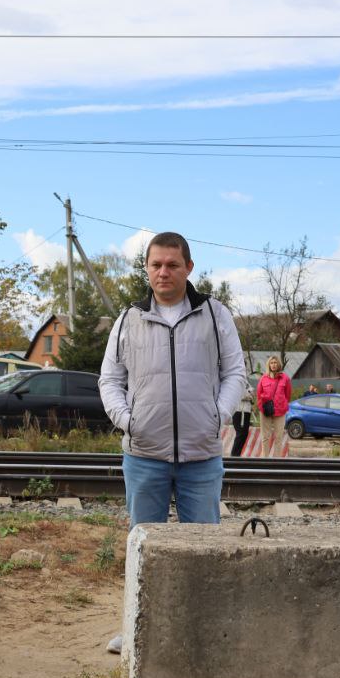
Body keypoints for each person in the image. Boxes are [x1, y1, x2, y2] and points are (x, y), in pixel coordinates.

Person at [99, 232, 246, 652]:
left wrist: (216, 415)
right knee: (143, 544)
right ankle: (136, 630)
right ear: (146, 268)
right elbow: (110, 379)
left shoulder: (215, 315)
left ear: (189, 268)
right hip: (144, 455)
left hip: (201, 456)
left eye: (172, 264)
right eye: (156, 264)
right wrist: (128, 422)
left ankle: (205, 635)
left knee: (205, 550)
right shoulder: (129, 319)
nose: (164, 272)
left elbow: (235, 372)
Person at [256, 356, 293, 457]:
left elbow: (288, 395)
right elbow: (258, 394)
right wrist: (262, 406)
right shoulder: (263, 378)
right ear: (269, 365)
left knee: (278, 437)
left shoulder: (285, 378)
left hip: (280, 411)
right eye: (271, 363)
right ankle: (265, 460)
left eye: (275, 362)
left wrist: (282, 404)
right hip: (265, 410)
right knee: (265, 437)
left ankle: (277, 461)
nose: (273, 365)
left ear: (279, 364)